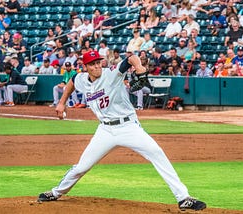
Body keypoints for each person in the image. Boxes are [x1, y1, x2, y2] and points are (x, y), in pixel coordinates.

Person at [38, 50, 207, 212]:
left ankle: (183, 198)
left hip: (128, 127)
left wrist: (139, 68)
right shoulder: (82, 79)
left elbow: (131, 58)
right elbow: (73, 82)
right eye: (92, 64)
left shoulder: (111, 74)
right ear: (86, 66)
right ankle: (56, 192)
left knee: (156, 153)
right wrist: (61, 102)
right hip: (105, 130)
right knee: (82, 167)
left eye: (98, 62)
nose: (97, 66)